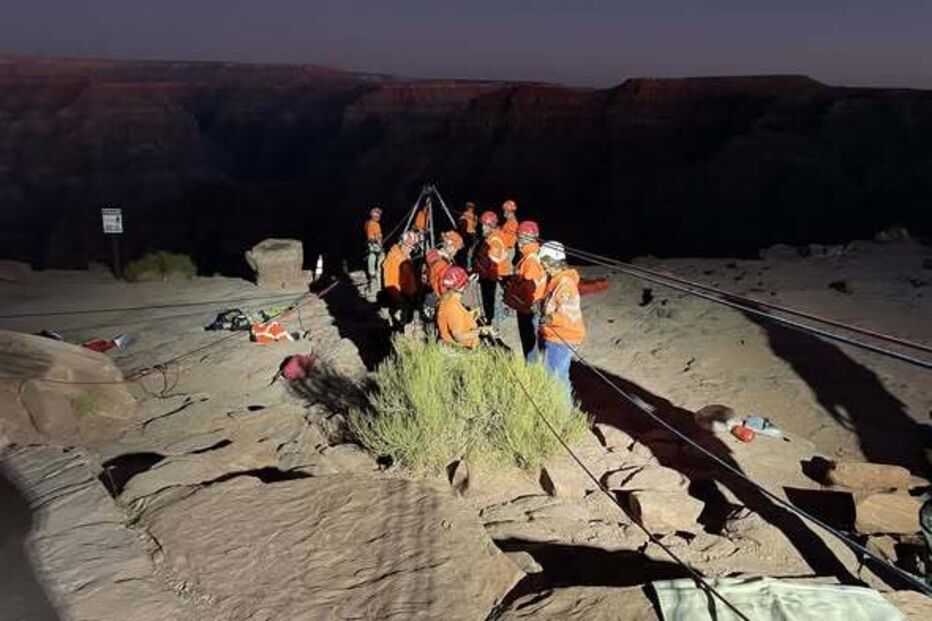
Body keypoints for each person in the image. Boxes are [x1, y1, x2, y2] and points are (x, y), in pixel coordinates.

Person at [538, 241, 585, 399]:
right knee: (555, 373)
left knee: (557, 377)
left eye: (544, 261)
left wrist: (547, 318)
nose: (543, 266)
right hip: (557, 334)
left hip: (562, 337)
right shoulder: (558, 280)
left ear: (552, 261)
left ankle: (563, 414)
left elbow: (565, 314)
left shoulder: (565, 284)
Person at [505, 220, 547, 362]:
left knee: (530, 345)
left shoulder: (530, 260)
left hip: (527, 310)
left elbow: (528, 289)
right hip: (530, 308)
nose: (518, 241)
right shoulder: (532, 256)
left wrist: (513, 291)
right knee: (532, 344)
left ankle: (532, 372)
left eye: (520, 237)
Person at [436, 265, 492, 349]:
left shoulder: (447, 300)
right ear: (462, 286)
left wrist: (471, 315)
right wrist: (481, 331)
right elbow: (459, 337)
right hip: (462, 349)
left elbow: (456, 319)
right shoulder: (452, 307)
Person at [473, 211, 510, 328]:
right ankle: (491, 322)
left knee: (493, 305)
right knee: (490, 304)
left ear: (491, 226)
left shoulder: (495, 241)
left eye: (485, 225)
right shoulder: (491, 237)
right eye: (482, 225)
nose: (482, 228)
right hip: (489, 278)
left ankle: (494, 328)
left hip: (492, 279)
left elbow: (492, 265)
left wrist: (480, 273)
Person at [382, 231, 420, 330]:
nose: (411, 251)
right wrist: (413, 294)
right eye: (410, 248)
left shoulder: (393, 253)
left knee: (394, 316)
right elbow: (409, 284)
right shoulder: (402, 261)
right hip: (399, 295)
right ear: (403, 244)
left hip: (392, 292)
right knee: (401, 320)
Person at [364, 207, 384, 298]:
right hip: (374, 247)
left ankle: (374, 286)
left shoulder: (371, 224)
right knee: (376, 266)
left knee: (373, 265)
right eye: (377, 215)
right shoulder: (373, 224)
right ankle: (375, 287)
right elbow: (373, 237)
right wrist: (378, 244)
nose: (378, 217)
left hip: (374, 247)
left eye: (379, 215)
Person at [458, 201, 478, 268]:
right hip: (472, 235)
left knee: (465, 252)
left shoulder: (464, 214)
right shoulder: (475, 216)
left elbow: (460, 223)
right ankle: (469, 266)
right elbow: (475, 226)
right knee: (470, 252)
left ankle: (465, 266)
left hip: (467, 235)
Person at [500, 200, 519, 266]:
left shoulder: (513, 223)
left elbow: (508, 238)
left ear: (509, 211)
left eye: (505, 210)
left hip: (508, 249)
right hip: (506, 248)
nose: (504, 213)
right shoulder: (508, 222)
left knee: (505, 269)